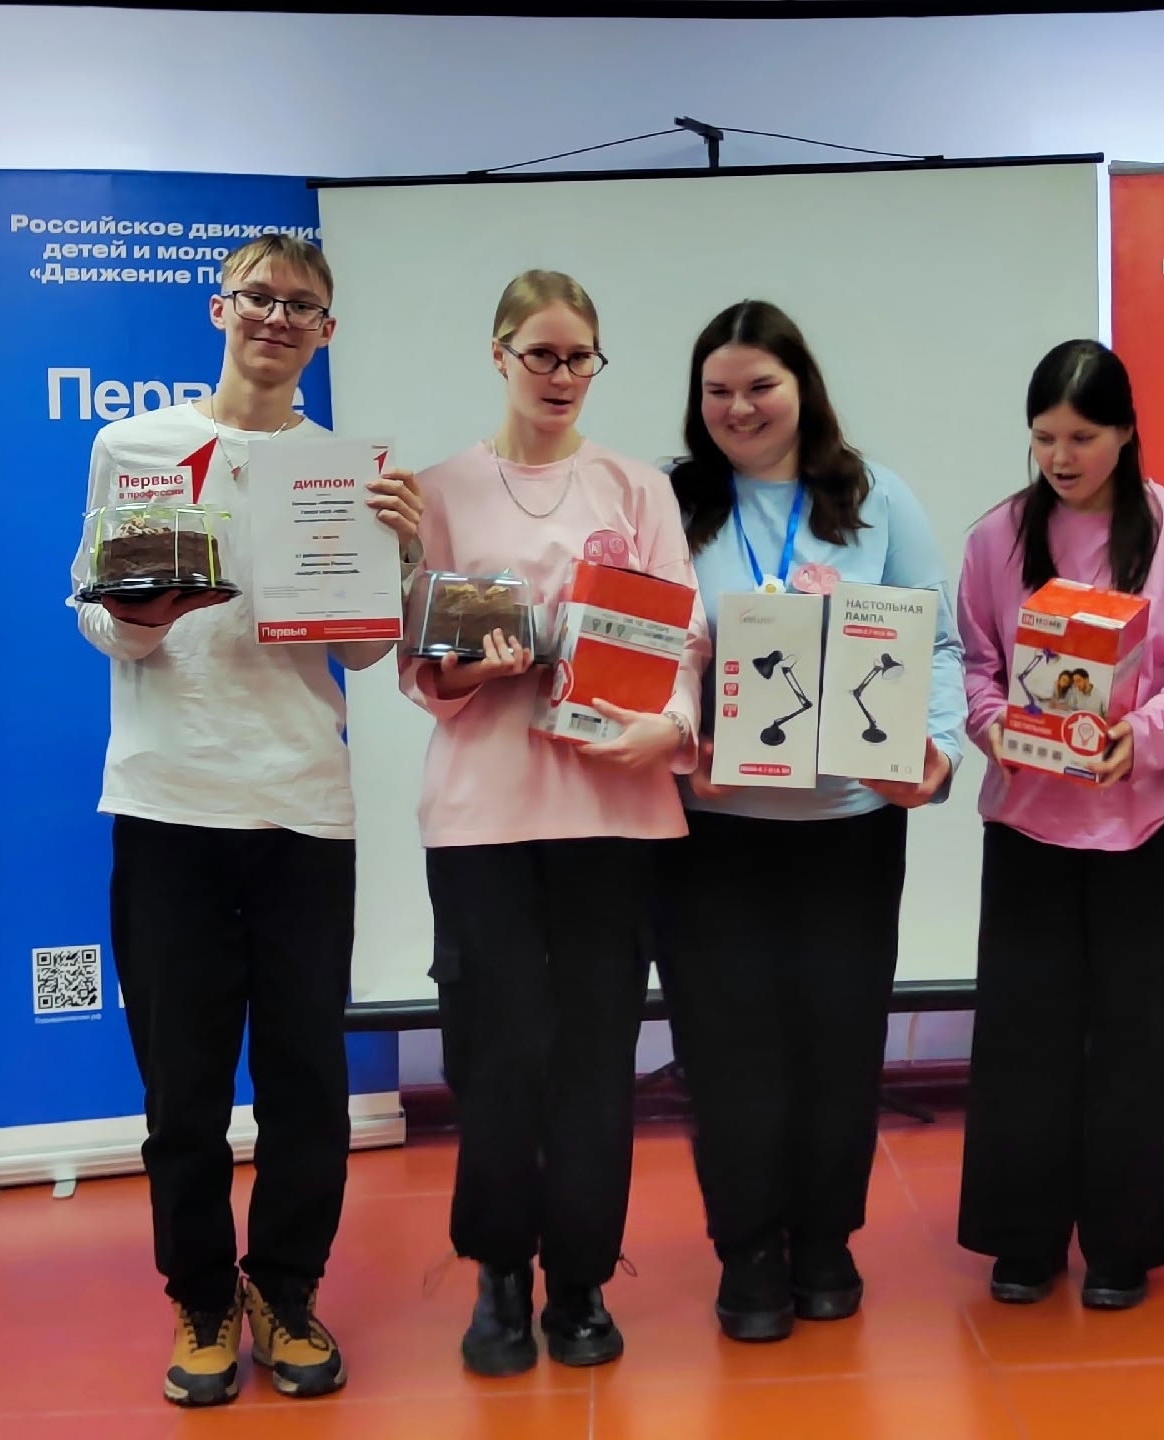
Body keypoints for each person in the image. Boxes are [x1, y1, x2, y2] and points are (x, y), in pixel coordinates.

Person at [69, 232, 424, 1408]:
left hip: (302, 810)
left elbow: (362, 655)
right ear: (220, 309)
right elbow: (93, 609)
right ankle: (201, 1301)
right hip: (165, 799)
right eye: (259, 297)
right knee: (181, 1087)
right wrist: (142, 618)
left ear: (327, 331)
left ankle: (285, 1291)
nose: (277, 317)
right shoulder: (133, 447)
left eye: (301, 305)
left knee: (306, 1083)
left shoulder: (348, 471)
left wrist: (400, 556)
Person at [402, 269, 704, 1378]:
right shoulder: (436, 490)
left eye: (580, 357)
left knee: (592, 1056)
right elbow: (419, 664)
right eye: (541, 354)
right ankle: (497, 1274)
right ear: (499, 355)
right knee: (495, 1056)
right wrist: (470, 668)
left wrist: (669, 726)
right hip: (482, 816)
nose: (562, 375)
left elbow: (682, 637)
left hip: (611, 812)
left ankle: (579, 1277)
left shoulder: (636, 487)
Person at [656, 300, 966, 1342]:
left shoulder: (876, 498)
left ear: (802, 387)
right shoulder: (669, 501)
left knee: (838, 1037)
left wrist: (937, 751)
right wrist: (678, 735)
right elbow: (638, 639)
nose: (739, 408)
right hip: (712, 829)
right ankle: (748, 1249)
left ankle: (826, 1239)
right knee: (726, 1046)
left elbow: (941, 644)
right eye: (718, 391)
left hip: (850, 823)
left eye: (761, 386)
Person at [954, 339, 1164, 1311]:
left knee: (1136, 1037)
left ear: (1126, 433)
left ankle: (1123, 1239)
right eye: (1044, 438)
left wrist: (1139, 739)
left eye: (1081, 437)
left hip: (1145, 828)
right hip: (1029, 828)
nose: (1061, 458)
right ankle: (1023, 1238)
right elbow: (974, 665)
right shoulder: (997, 536)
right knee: (1023, 1035)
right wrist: (995, 727)